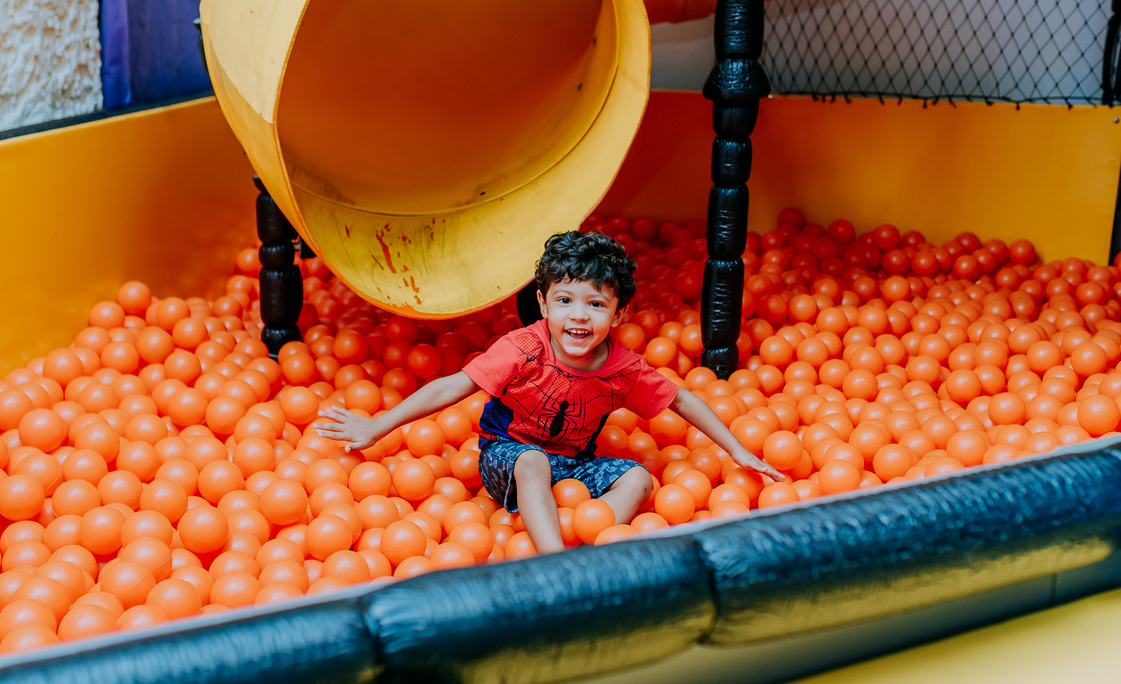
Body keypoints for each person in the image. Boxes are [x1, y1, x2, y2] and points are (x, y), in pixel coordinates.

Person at [314, 230, 784, 554]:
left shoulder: (623, 369)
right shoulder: (523, 348)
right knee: (533, 460)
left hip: (573, 467)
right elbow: (453, 385)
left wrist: (737, 450)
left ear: (618, 314)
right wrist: (379, 425)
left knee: (640, 478)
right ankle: (555, 562)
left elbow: (681, 399)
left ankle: (592, 541)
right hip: (507, 457)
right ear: (543, 304)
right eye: (564, 301)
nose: (578, 316)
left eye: (596, 304)